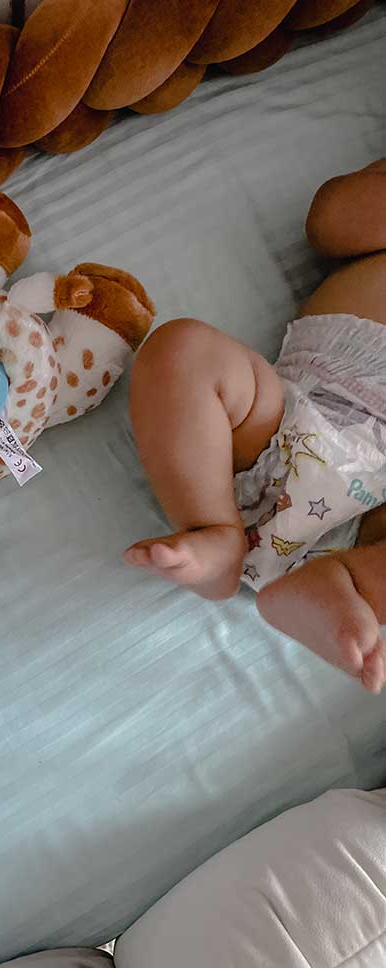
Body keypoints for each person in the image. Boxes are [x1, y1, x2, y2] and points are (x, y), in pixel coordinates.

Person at [127, 160, 386, 694]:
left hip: (372, 519)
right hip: (289, 422)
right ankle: (213, 529)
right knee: (182, 349)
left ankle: (341, 583)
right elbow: (330, 222)